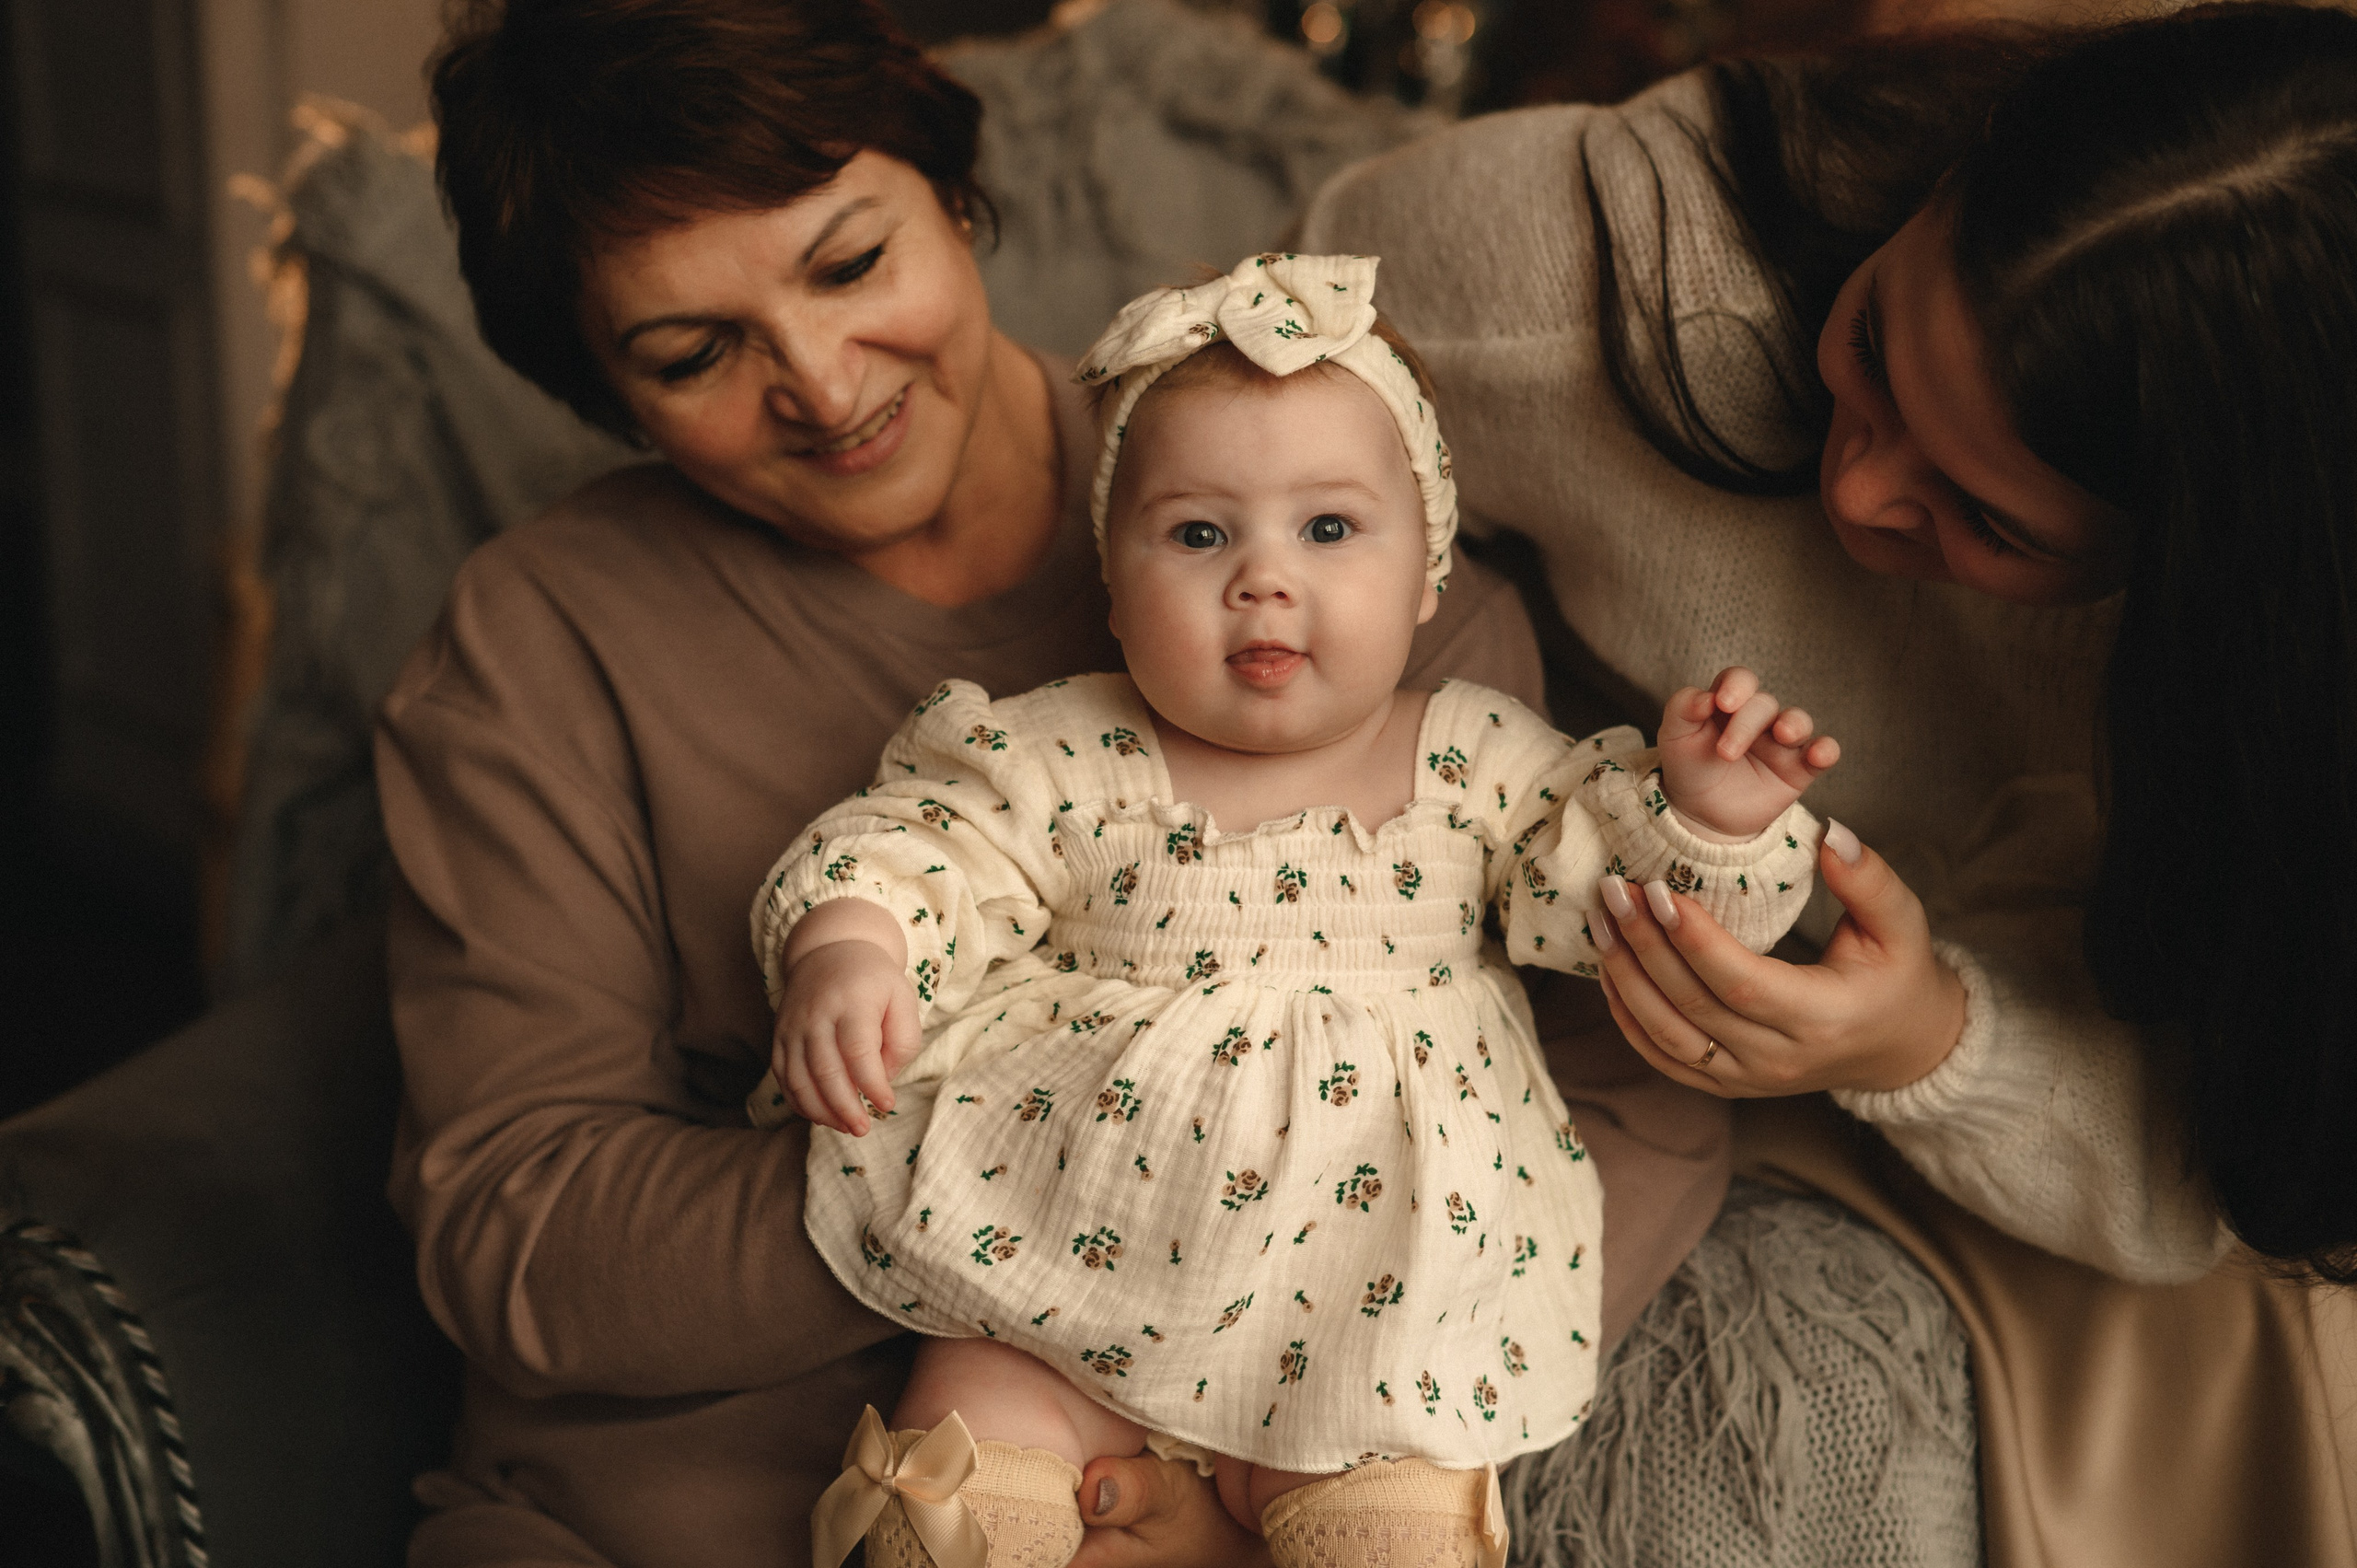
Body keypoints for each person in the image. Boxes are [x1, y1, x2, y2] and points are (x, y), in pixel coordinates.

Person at [385, 6, 1686, 1567]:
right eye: (692, 353)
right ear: (604, 398)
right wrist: (1070, 1199)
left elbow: (1628, 1087)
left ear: (953, 187)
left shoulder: (1362, 577)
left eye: (852, 263)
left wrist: (1285, 1432)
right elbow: (518, 1233)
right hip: (658, 1511)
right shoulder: (543, 637)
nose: (819, 381)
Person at [1293, 3, 2357, 1560]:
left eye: (1985, 523)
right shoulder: (1591, 275)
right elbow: (1230, 411)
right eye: (1870, 346)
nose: (1854, 489)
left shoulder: (2283, 717)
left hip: (2006, 1109)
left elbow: (2238, 1159)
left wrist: (1930, 1037)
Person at [753, 255, 1836, 1566]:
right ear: (1112, 580)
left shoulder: (1472, 760)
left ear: (1426, 573)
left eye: (1328, 530)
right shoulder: (1065, 753)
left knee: (1397, 1535)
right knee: (956, 1503)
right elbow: (924, 847)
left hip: (1371, 1334)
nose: (1263, 581)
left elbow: (1618, 905)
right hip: (1060, 1286)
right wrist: (852, 944)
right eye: (1200, 534)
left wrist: (1710, 817)